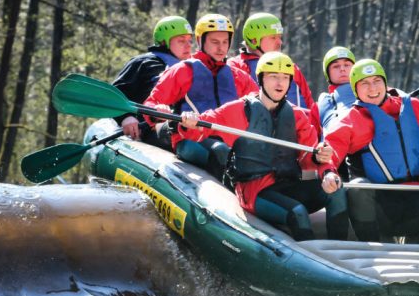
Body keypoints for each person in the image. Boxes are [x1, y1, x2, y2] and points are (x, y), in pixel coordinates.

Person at [179, 52, 349, 241]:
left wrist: (326, 170)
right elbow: (200, 128)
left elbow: (311, 155)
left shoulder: (296, 115)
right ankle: (310, 265)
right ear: (261, 79)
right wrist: (189, 122)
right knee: (297, 212)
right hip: (255, 191)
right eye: (273, 77)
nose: (280, 83)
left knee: (336, 190)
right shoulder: (239, 110)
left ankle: (340, 250)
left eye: (285, 78)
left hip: (287, 184)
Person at [321, 59, 419, 245]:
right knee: (357, 188)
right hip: (378, 209)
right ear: (355, 89)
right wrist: (328, 174)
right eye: (364, 83)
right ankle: (372, 247)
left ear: (385, 84)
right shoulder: (351, 120)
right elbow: (329, 154)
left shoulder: (416, 107)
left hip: (418, 199)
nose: (372, 88)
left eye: (377, 81)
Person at [144, 13, 258, 177]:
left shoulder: (238, 76)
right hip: (191, 139)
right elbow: (152, 103)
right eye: (215, 42)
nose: (221, 48)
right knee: (220, 151)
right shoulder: (182, 70)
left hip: (229, 141)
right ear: (200, 41)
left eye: (225, 42)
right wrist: (158, 110)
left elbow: (261, 104)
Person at [112, 15, 193, 148]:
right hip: (147, 131)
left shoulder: (194, 68)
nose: (188, 46)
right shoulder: (143, 63)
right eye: (181, 41)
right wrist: (125, 117)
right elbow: (116, 94)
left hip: (183, 128)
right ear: (163, 42)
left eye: (190, 41)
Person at [228, 13, 315, 112]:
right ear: (254, 40)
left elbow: (309, 104)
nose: (280, 42)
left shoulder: (290, 66)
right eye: (273, 37)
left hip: (296, 125)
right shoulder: (235, 67)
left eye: (280, 37)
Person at [315, 46, 357, 131]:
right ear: (328, 73)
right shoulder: (320, 105)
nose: (342, 69)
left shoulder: (373, 93)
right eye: (336, 66)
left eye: (347, 65)